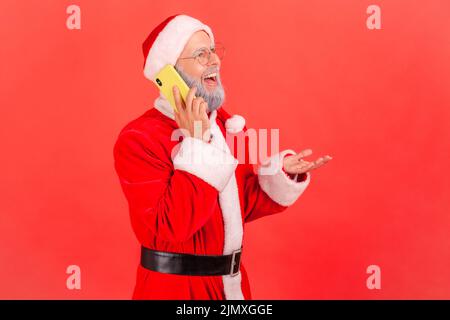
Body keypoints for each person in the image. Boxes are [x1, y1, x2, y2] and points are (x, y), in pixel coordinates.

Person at [113, 14, 332, 300]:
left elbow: (235, 208)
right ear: (169, 74)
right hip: (175, 291)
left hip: (232, 289)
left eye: (214, 50)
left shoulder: (222, 126)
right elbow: (171, 227)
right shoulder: (139, 138)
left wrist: (280, 175)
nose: (215, 60)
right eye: (201, 54)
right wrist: (196, 143)